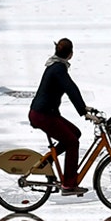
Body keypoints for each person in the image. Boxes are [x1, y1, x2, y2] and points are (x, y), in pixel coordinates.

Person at [29, 38, 89, 195]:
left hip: (44, 113)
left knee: (75, 133)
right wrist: (83, 111)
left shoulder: (55, 66)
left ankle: (45, 162)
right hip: (43, 115)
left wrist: (85, 108)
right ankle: (69, 185)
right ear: (71, 54)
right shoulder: (58, 69)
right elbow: (71, 88)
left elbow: (71, 88)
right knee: (72, 142)